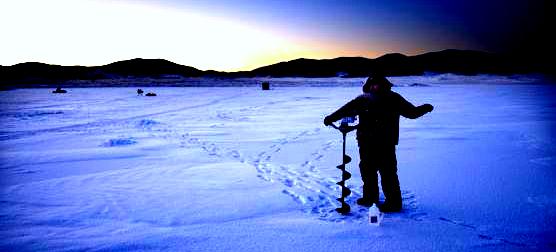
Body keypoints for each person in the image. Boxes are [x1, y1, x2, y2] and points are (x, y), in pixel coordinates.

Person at [323, 75, 433, 212]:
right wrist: (331, 118)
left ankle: (393, 203)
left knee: (388, 173)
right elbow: (345, 110)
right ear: (368, 86)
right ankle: (370, 198)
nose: (376, 87)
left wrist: (425, 108)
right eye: (373, 85)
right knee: (367, 171)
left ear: (385, 85)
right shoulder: (362, 99)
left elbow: (412, 113)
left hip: (386, 142)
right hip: (365, 141)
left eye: (379, 84)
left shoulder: (394, 99)